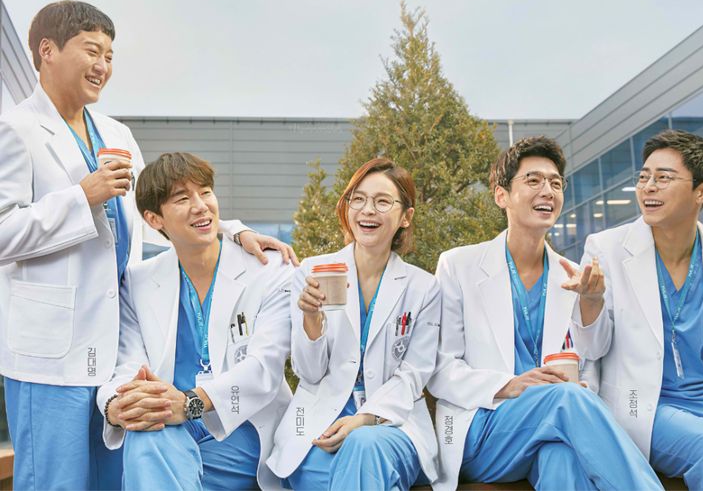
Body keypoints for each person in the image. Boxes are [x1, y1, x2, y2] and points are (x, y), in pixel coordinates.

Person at [0, 0, 296, 491]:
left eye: (110, 55)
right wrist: (83, 196)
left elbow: (157, 207)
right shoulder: (15, 130)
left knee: (116, 477)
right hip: (50, 352)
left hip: (112, 346)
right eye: (92, 51)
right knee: (54, 481)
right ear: (46, 51)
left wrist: (232, 230)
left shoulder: (115, 133)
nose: (103, 66)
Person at [429, 135, 664, 491]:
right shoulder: (458, 265)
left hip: (555, 424)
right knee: (566, 400)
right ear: (501, 195)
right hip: (482, 427)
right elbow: (442, 369)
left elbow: (591, 359)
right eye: (533, 180)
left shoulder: (571, 274)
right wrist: (510, 385)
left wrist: (592, 302)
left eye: (556, 183)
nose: (548, 191)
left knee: (562, 460)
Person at [96, 151, 292, 490]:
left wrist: (190, 403)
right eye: (182, 199)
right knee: (148, 437)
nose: (200, 205)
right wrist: (117, 404)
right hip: (170, 424)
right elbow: (127, 365)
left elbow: (264, 370)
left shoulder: (268, 269)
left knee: (151, 454)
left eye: (205, 192)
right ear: (154, 220)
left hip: (240, 428)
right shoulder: (139, 281)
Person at [574, 128, 703, 489]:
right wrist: (590, 301)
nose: (648, 187)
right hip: (645, 405)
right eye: (644, 177)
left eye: (663, 178)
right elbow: (591, 349)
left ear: (702, 192)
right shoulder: (607, 249)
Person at [268, 156, 440, 491]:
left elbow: (413, 375)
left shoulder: (423, 288)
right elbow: (309, 372)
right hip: (319, 423)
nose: (367, 210)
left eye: (382, 202)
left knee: (365, 448)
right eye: (357, 199)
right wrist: (311, 320)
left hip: (392, 426)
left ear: (406, 217)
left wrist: (364, 420)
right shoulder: (312, 272)